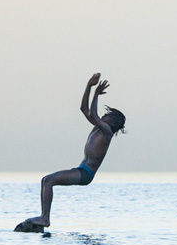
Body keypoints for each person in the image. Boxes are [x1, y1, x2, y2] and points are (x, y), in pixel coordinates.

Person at [24, 73, 126, 228]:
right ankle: (43, 216)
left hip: (86, 174)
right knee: (45, 180)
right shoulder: (98, 128)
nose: (104, 115)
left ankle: (45, 219)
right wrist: (88, 86)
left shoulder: (107, 132)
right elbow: (84, 109)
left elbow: (93, 113)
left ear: (112, 121)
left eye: (107, 115)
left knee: (49, 180)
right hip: (81, 169)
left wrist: (96, 93)